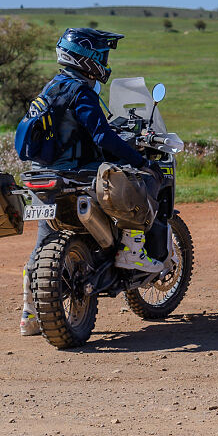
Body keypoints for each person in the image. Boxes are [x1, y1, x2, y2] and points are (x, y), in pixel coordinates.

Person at [17, 28, 151, 335]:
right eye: (101, 55)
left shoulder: (50, 88)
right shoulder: (81, 92)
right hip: (80, 173)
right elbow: (102, 135)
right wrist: (137, 158)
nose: (104, 60)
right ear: (86, 58)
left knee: (42, 247)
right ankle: (131, 252)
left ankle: (29, 316)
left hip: (44, 175)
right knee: (137, 186)